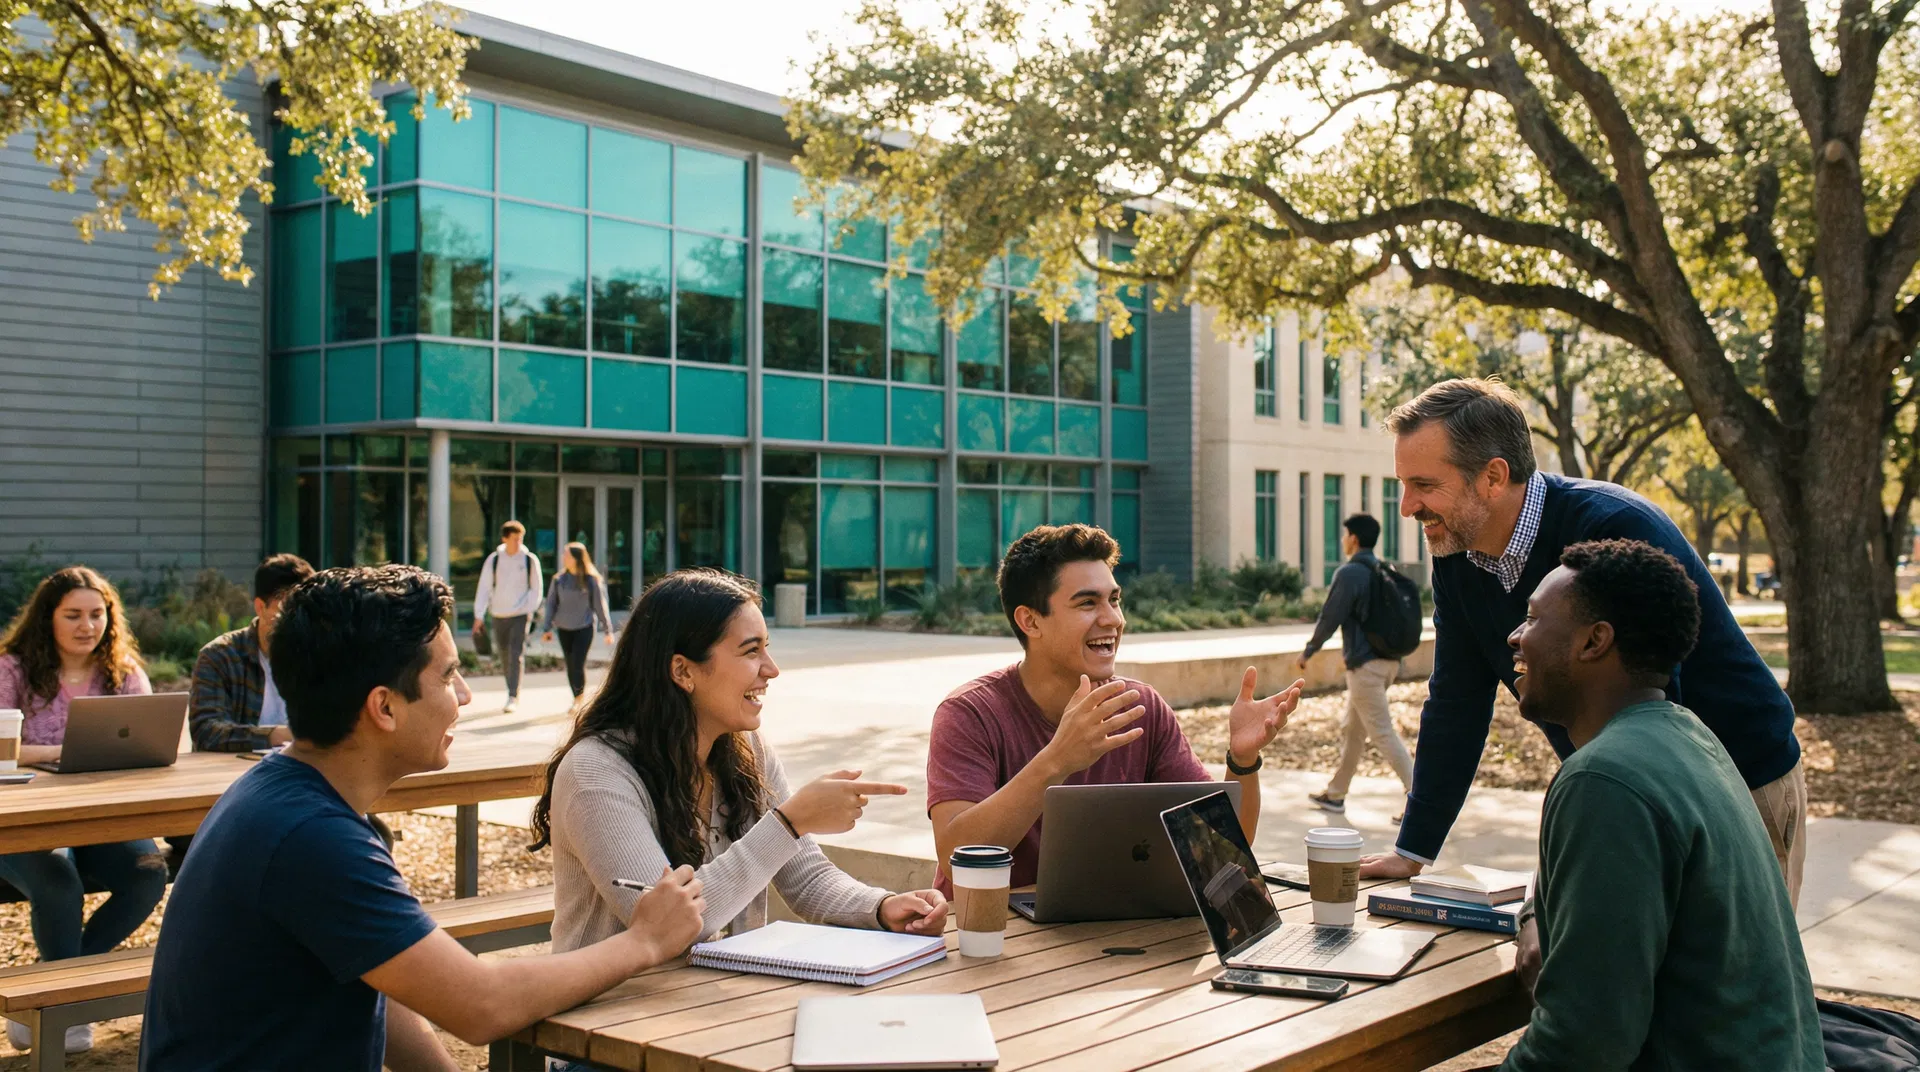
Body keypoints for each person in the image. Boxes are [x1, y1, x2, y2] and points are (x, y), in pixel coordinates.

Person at [140, 565, 707, 1072]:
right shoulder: (310, 836)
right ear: (383, 707)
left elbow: (381, 980)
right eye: (447, 676)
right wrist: (644, 942)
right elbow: (482, 1004)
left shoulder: (294, 797)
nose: (463, 695)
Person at [1363, 379, 1806, 912]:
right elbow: (1456, 702)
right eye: (1403, 485)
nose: (1408, 506)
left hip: (1736, 780)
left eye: (1424, 484)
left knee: (1728, 986)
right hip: (1626, 786)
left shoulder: (1613, 529)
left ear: (1493, 477)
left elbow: (1662, 706)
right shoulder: (1457, 555)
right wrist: (1414, 848)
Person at [1493, 539, 1821, 1070]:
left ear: (1594, 641)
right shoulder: (1688, 737)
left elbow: (1582, 1046)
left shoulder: (1605, 780)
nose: (1514, 636)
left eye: (1531, 619)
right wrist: (1534, 911)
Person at [531, 569, 947, 976]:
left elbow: (806, 878)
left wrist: (881, 907)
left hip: (720, 1009)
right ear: (683, 671)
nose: (772, 669)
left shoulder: (747, 750)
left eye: (766, 648)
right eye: (751, 651)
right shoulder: (595, 773)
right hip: (603, 1025)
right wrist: (789, 823)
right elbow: (668, 927)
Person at [926, 524, 1303, 892]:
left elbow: (1221, 851)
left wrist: (1242, 760)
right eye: (1088, 603)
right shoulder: (969, 714)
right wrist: (1057, 759)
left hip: (1108, 934)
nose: (1113, 619)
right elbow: (957, 857)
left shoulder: (1141, 708)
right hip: (990, 936)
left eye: (1115, 600)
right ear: (1030, 620)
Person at [0, 566, 168, 1056]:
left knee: (148, 871)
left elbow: (151, 738)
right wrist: (57, 752)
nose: (86, 625)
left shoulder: (125, 672)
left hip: (98, 817)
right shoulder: (10, 668)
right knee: (58, 881)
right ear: (46, 619)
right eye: (72, 614)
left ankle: (55, 987)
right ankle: (64, 999)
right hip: (17, 821)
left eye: (97, 614)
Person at [1297, 513, 1415, 818]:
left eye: (1344, 534)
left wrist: (1309, 651)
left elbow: (1330, 616)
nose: (1342, 540)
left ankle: (1419, 800)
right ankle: (1336, 794)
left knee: (1382, 732)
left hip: (1366, 667)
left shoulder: (1350, 573)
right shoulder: (1381, 568)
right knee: (1353, 728)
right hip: (1387, 663)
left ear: (1354, 539)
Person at [185, 553, 315, 751]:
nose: (297, 620)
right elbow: (206, 731)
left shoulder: (318, 655)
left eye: (305, 610)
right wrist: (276, 735)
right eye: (287, 610)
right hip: (236, 773)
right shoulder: (220, 657)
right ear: (260, 607)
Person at [473, 519, 542, 714]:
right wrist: (479, 615)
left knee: (515, 652)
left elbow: (536, 589)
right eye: (514, 539)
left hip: (520, 614)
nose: (518, 542)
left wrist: (528, 609)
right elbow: (484, 588)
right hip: (498, 613)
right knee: (503, 653)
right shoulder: (494, 560)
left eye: (520, 539)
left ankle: (513, 695)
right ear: (504, 538)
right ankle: (510, 689)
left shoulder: (529, 560)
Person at [541, 541, 615, 704]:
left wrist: (608, 630)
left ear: (576, 558)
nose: (563, 557)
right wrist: (547, 628)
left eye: (566, 554)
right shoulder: (559, 580)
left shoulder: (591, 580)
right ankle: (577, 697)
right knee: (569, 664)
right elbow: (551, 605)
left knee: (577, 663)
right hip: (564, 628)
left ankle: (579, 700)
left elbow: (600, 606)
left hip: (584, 627)